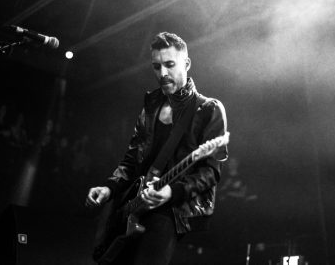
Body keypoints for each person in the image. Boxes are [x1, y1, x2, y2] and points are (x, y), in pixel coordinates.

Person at [85, 31, 228, 265]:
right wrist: (110, 187)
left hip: (169, 210)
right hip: (133, 204)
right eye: (156, 66)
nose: (162, 73)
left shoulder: (208, 109)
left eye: (170, 65)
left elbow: (210, 172)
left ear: (187, 63)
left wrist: (171, 192)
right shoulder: (150, 107)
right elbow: (131, 160)